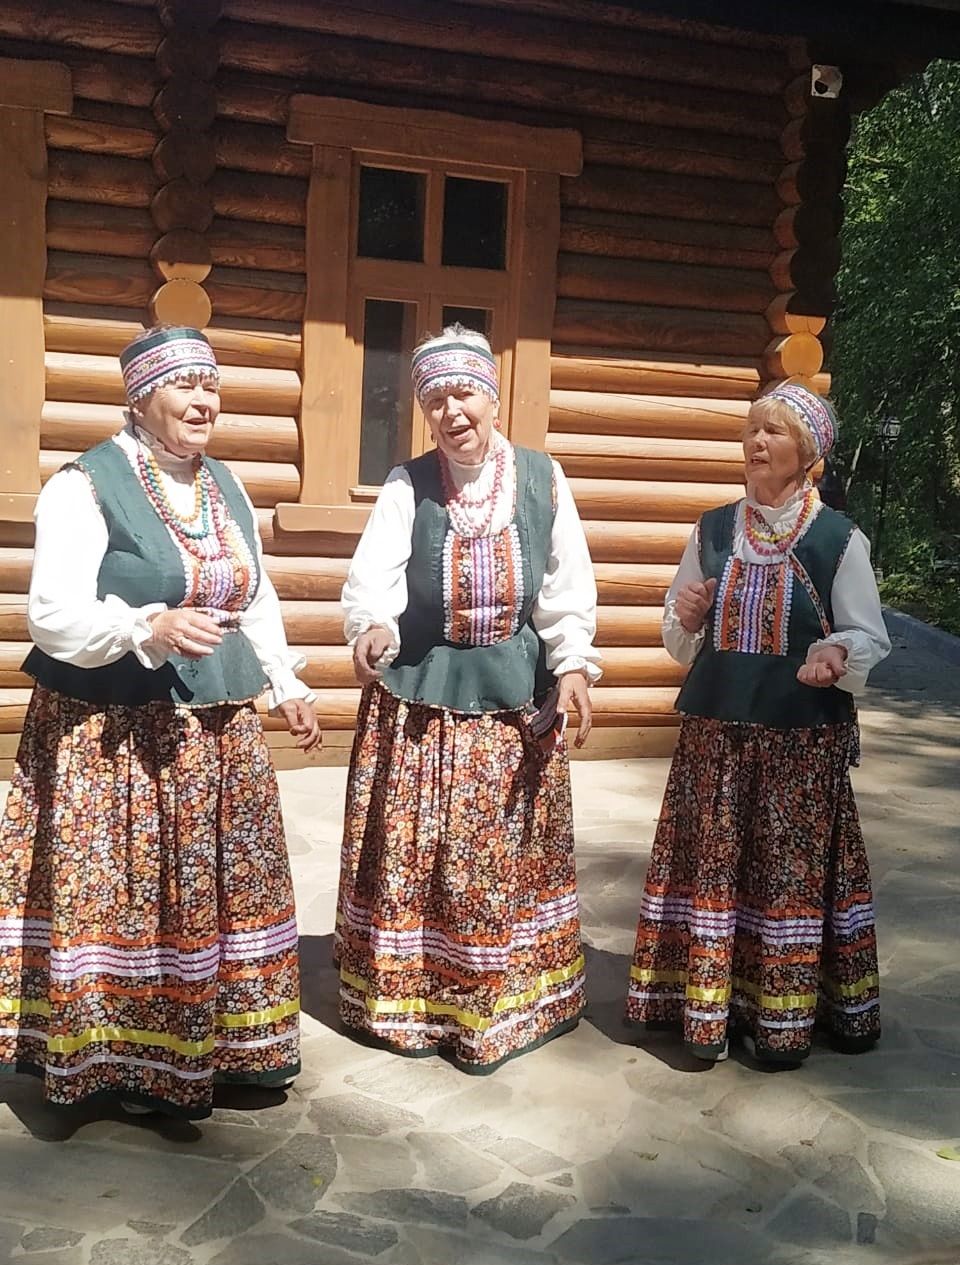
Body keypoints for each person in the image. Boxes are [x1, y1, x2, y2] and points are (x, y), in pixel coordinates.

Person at [0, 325, 320, 1119]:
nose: (203, 400)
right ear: (141, 398)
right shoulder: (84, 484)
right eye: (185, 386)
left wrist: (283, 681)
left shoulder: (226, 487)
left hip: (216, 730)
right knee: (129, 898)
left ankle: (224, 1050)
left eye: (211, 385)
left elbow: (256, 594)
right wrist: (145, 627)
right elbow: (50, 614)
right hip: (114, 735)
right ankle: (120, 1061)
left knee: (216, 892)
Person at [337, 325, 601, 1073]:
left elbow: (564, 587)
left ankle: (501, 1001)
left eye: (464, 393)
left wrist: (575, 664)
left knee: (497, 858)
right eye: (435, 399)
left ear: (491, 396)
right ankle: (412, 1001)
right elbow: (374, 580)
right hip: (422, 699)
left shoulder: (544, 480)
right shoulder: (407, 485)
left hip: (512, 695)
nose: (452, 411)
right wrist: (372, 628)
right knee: (422, 854)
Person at [625, 382, 890, 1065]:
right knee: (715, 873)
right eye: (751, 431)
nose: (755, 444)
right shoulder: (713, 530)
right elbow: (679, 637)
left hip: (800, 748)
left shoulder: (838, 539)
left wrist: (837, 653)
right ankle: (705, 1007)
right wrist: (684, 618)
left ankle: (782, 1019)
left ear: (807, 456)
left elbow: (868, 634)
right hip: (716, 740)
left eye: (772, 434)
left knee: (786, 879)